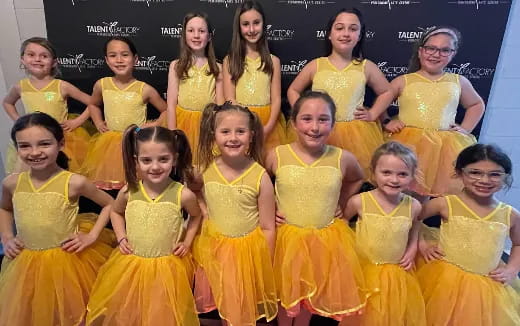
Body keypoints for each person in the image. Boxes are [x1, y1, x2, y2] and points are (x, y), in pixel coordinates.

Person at [0, 112, 114, 325]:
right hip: (27, 263)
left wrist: (91, 236)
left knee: (74, 313)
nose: (35, 152)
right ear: (16, 148)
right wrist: (6, 237)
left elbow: (110, 204)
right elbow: (4, 209)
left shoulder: (74, 182)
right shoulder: (12, 183)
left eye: (44, 144)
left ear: (60, 143)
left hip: (68, 262)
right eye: (24, 146)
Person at [265, 91, 367, 325]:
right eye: (307, 118)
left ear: (332, 124)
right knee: (285, 296)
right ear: (294, 122)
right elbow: (257, 186)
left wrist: (341, 204)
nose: (314, 127)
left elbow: (357, 178)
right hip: (286, 239)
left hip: (323, 240)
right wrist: (270, 210)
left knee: (308, 299)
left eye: (323, 119)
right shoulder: (276, 155)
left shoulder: (343, 158)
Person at [86, 125, 201, 325]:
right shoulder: (128, 192)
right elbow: (115, 211)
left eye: (163, 159)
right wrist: (121, 236)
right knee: (130, 313)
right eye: (147, 160)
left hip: (167, 268)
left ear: (174, 158)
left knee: (162, 314)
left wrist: (187, 242)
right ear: (136, 161)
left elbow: (196, 217)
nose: (155, 167)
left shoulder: (183, 194)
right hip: (132, 265)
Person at [193, 102, 278, 325]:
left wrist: (262, 266)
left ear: (251, 135)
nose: (233, 138)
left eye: (240, 131)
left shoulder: (260, 176)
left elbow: (268, 226)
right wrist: (204, 210)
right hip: (214, 251)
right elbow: (192, 190)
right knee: (222, 306)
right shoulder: (205, 169)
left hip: (246, 256)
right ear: (214, 135)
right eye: (225, 132)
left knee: (242, 311)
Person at [418, 143, 520, 325]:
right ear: (459, 172)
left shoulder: (510, 214)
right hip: (444, 281)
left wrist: (512, 269)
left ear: (506, 178)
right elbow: (410, 220)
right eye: (475, 172)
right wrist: (422, 243)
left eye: (494, 174)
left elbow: (518, 243)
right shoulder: (444, 204)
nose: (484, 180)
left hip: (487, 287)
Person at [287, 8, 393, 179]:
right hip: (320, 130)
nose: (345, 33)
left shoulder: (365, 67)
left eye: (353, 29)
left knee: (351, 177)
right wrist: (302, 113)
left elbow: (387, 91)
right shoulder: (316, 65)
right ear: (329, 34)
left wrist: (373, 113)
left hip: (357, 135)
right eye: (339, 28)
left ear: (359, 36)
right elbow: (293, 90)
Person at [384, 26, 485, 197]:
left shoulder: (458, 81)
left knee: (424, 192)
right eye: (431, 48)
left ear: (453, 54)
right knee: (400, 189)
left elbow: (476, 104)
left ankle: (416, 222)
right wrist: (387, 121)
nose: (436, 54)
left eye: (444, 50)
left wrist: (465, 129)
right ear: (421, 51)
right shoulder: (404, 81)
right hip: (408, 144)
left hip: (441, 149)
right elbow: (381, 102)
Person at [343, 141, 426, 325]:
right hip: (364, 270)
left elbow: (415, 229)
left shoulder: (414, 206)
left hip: (395, 273)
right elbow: (342, 225)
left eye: (402, 174)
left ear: (412, 176)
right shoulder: (359, 202)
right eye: (386, 172)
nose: (394, 180)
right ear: (373, 173)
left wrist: (412, 250)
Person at [82, 36, 167, 190]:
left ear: (135, 59)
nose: (119, 60)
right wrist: (99, 123)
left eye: (125, 55)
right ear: (107, 60)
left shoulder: (144, 89)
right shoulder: (101, 85)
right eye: (113, 55)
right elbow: (93, 104)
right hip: (109, 144)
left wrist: (152, 125)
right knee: (113, 186)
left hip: (135, 143)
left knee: (137, 185)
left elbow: (166, 111)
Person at [2, 37, 92, 173]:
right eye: (31, 55)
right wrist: (19, 121)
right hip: (32, 140)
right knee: (30, 175)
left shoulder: (61, 86)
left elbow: (93, 103)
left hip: (60, 139)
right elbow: (7, 103)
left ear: (54, 62)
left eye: (44, 56)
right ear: (22, 59)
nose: (37, 59)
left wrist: (77, 121)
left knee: (62, 175)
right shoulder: (20, 87)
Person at [223, 0, 286, 154]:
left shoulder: (273, 61)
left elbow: (276, 98)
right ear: (239, 27)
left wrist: (268, 127)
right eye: (245, 24)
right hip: (240, 124)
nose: (251, 29)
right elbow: (230, 98)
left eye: (256, 23)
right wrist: (245, 127)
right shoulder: (230, 61)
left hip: (268, 125)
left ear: (263, 24)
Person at [166, 12, 223, 164]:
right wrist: (173, 134)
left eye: (201, 31)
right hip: (183, 125)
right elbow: (171, 105)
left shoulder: (217, 68)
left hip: (207, 126)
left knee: (206, 167)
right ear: (184, 35)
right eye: (191, 31)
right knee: (186, 166)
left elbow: (220, 105)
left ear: (209, 37)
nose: (196, 35)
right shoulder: (176, 66)